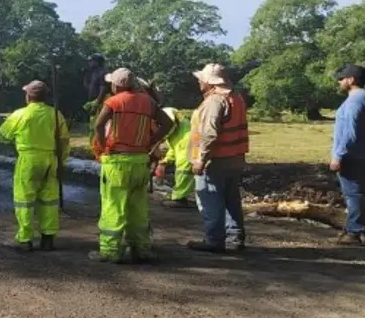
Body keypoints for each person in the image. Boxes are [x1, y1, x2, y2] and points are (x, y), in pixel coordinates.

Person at [91, 68, 173, 263]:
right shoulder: (148, 102)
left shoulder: (113, 102)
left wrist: (103, 146)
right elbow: (167, 124)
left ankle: (110, 251)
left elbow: (98, 125)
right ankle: (141, 248)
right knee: (138, 207)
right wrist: (150, 141)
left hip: (117, 162)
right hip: (140, 161)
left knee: (113, 206)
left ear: (116, 85)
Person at [0, 80, 69, 251]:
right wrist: (61, 161)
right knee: (49, 200)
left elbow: (0, 136)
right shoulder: (55, 114)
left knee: (24, 201)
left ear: (28, 96)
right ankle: (48, 239)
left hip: (28, 160)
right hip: (51, 160)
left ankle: (25, 240)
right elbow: (64, 141)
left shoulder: (20, 114)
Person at [186, 63, 249, 253]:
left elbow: (209, 134)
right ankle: (235, 236)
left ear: (209, 83)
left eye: (201, 80)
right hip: (235, 158)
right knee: (231, 200)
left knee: (210, 200)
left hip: (215, 161)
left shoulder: (214, 101)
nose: (199, 83)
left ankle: (214, 240)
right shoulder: (235, 98)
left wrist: (201, 160)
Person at [330, 64, 365, 245]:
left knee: (353, 193)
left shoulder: (354, 100)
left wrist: (338, 155)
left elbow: (350, 132)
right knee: (362, 192)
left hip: (351, 154)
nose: (340, 81)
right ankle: (361, 230)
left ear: (351, 79)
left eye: (342, 78)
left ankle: (354, 232)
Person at [156, 107, 195, 208]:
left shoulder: (186, 136)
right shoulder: (180, 130)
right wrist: (164, 162)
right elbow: (174, 148)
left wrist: (176, 196)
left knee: (183, 171)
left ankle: (179, 198)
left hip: (190, 152)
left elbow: (183, 164)